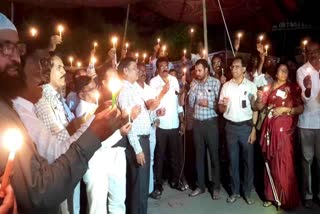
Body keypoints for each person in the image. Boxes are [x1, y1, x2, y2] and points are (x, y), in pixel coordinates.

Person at [0, 12, 121, 213]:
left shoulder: (13, 105)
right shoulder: (12, 112)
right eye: (5, 48)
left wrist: (93, 122)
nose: (15, 59)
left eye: (16, 49)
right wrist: (94, 133)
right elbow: (41, 189)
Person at [74, 75, 131, 214]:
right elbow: (94, 139)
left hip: (115, 154)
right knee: (97, 206)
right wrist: (120, 133)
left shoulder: (97, 106)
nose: (97, 90)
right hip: (96, 160)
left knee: (117, 202)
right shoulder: (83, 111)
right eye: (92, 89)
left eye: (96, 87)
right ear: (82, 94)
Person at [255, 64, 303, 209]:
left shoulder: (292, 88)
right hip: (269, 131)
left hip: (285, 132)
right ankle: (270, 196)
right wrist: (259, 99)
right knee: (270, 161)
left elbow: (300, 108)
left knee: (284, 161)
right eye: (281, 70)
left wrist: (285, 110)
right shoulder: (268, 88)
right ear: (275, 73)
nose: (284, 72)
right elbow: (259, 107)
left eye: (286, 70)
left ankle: (286, 197)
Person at [218, 57, 258, 205]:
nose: (233, 69)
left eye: (237, 67)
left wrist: (254, 129)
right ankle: (235, 192)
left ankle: (247, 192)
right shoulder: (226, 86)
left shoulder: (251, 86)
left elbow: (255, 109)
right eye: (232, 67)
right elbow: (221, 110)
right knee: (232, 161)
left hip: (246, 127)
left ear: (244, 69)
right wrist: (223, 105)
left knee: (248, 161)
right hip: (230, 128)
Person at [117, 57, 152, 214]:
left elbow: (143, 111)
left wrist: (154, 116)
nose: (138, 70)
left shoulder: (135, 88)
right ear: (125, 71)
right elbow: (127, 122)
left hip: (144, 139)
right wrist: (137, 149)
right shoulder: (124, 92)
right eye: (134, 68)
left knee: (142, 184)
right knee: (138, 186)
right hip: (136, 142)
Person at [149, 57, 187, 200]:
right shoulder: (153, 82)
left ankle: (175, 181)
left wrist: (182, 119)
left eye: (166, 66)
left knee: (175, 155)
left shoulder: (174, 80)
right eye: (161, 66)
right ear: (157, 69)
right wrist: (163, 92)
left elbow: (178, 102)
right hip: (161, 125)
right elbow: (152, 103)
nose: (164, 69)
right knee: (159, 157)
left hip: (174, 123)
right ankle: (158, 186)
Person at [188, 59, 221, 198]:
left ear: (206, 70)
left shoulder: (215, 82)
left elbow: (221, 105)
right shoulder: (194, 83)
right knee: (199, 156)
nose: (197, 73)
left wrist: (208, 103)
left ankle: (216, 187)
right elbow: (190, 104)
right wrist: (193, 90)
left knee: (214, 155)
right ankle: (200, 186)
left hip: (211, 123)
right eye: (196, 70)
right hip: (197, 124)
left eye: (200, 70)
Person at [296, 41, 320, 209]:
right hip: (307, 123)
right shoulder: (301, 71)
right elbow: (306, 98)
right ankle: (308, 194)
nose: (313, 54)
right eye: (310, 52)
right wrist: (309, 88)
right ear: (305, 53)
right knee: (307, 161)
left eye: (316, 51)